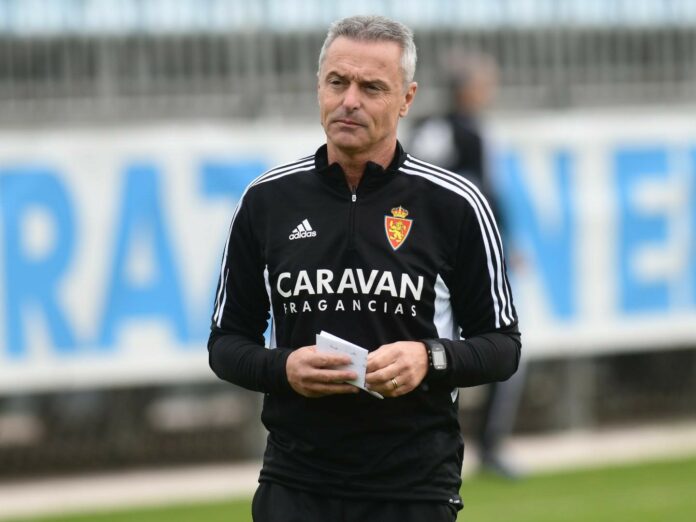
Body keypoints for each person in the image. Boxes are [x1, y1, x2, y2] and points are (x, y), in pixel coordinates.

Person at [208, 15, 521, 522]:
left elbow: (503, 346)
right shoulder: (266, 201)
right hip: (295, 485)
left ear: (407, 99)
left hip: (413, 489)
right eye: (338, 82)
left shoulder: (456, 205)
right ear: (319, 87)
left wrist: (428, 358)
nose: (349, 100)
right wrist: (283, 369)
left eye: (371, 87)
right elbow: (225, 344)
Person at [410, 52, 527, 479]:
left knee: (439, 351)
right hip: (459, 258)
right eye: (484, 84)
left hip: (429, 256)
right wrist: (505, 241)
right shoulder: (468, 133)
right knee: (494, 346)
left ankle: (441, 444)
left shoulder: (427, 127)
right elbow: (482, 196)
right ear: (468, 89)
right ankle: (486, 446)